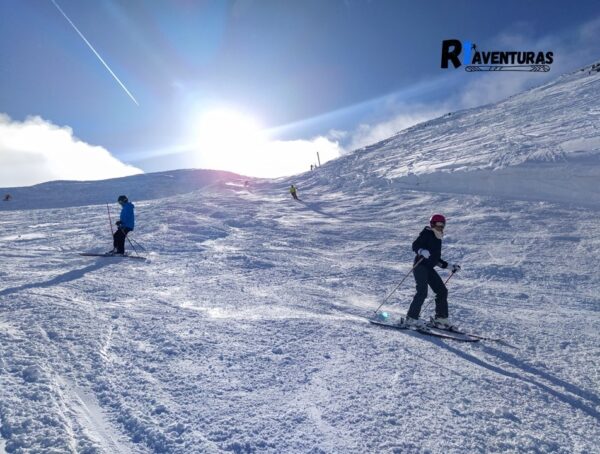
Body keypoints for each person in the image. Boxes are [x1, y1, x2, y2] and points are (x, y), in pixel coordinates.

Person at [405, 214, 460, 328]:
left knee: (442, 291)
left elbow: (435, 259)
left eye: (443, 225)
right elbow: (415, 245)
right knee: (422, 292)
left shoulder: (438, 238)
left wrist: (449, 266)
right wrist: (421, 251)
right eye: (439, 224)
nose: (441, 227)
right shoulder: (427, 233)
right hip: (420, 266)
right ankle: (411, 318)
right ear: (433, 224)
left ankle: (441, 319)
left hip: (429, 268)